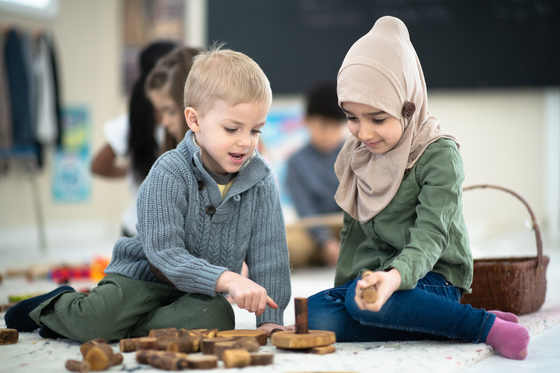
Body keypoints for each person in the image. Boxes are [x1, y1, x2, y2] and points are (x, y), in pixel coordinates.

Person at [5, 45, 292, 342]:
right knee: (98, 321)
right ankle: (57, 305)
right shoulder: (169, 171)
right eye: (232, 129)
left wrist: (270, 320)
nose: (246, 142)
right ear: (194, 121)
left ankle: (112, 326)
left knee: (218, 317)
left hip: (197, 293)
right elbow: (165, 255)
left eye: (256, 130)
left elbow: (270, 257)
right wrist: (227, 278)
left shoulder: (261, 180)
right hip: (140, 280)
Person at [306, 16, 530, 360]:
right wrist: (353, 289)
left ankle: (481, 325)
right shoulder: (357, 154)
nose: (364, 133)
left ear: (408, 105)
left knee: (361, 304)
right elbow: (353, 232)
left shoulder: (439, 154)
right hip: (379, 281)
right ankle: (440, 322)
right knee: (317, 313)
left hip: (431, 279)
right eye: (352, 117)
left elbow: (432, 236)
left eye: (377, 118)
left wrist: (392, 279)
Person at [91, 40, 178, 237]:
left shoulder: (131, 123)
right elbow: (98, 166)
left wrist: (133, 171)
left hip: (142, 229)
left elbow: (98, 166)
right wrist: (133, 170)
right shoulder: (134, 125)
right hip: (148, 233)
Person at [285, 81, 346, 266]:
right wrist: (325, 241)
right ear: (307, 121)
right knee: (288, 247)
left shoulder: (356, 154)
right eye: (323, 125)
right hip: (313, 230)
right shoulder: (296, 162)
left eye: (336, 126)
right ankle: (325, 255)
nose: (329, 133)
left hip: (350, 227)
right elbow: (305, 208)